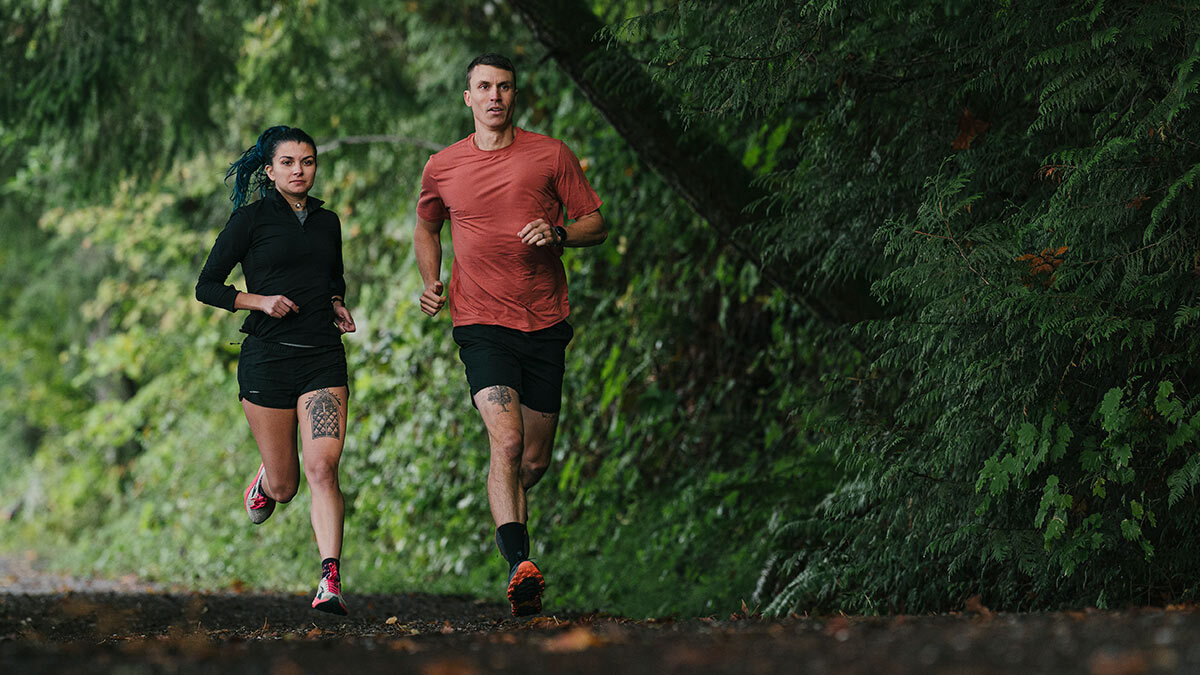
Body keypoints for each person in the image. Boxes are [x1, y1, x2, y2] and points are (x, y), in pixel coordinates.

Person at [414, 53, 608, 617]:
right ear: (467, 97)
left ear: (514, 96)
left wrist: (560, 231)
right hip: (479, 322)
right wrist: (432, 280)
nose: (494, 96)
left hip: (545, 322)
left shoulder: (550, 155)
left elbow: (595, 223)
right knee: (506, 439)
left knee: (532, 463)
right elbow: (427, 226)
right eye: (483, 87)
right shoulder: (442, 166)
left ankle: (511, 515)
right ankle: (519, 565)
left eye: (504, 87)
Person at [196, 126, 356, 615]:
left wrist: (336, 302)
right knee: (287, 487)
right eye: (287, 162)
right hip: (267, 359)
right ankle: (265, 480)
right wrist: (258, 301)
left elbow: (332, 276)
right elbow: (208, 285)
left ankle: (329, 579)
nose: (299, 170)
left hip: (321, 357)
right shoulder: (249, 221)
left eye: (307, 161)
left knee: (323, 467)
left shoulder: (327, 222)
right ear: (269, 170)